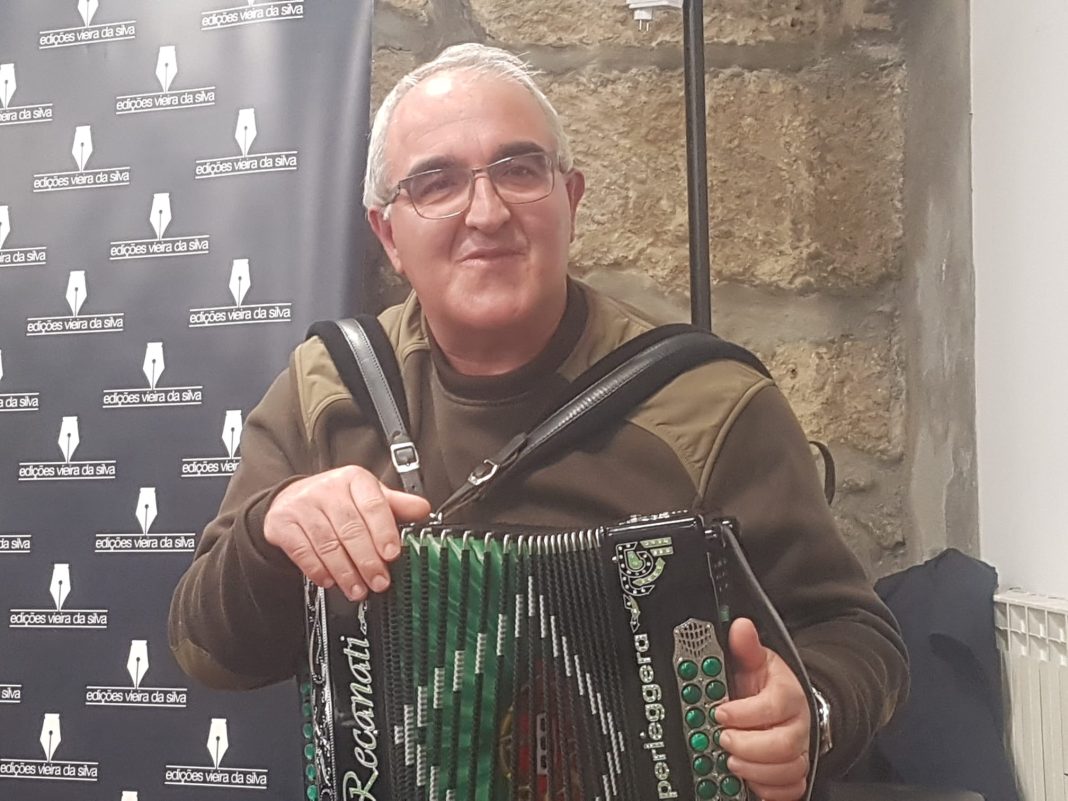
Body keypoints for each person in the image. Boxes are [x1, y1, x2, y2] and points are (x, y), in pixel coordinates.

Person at [169, 42, 907, 801]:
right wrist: (273, 531)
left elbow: (855, 633)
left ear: (570, 199)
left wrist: (811, 714)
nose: (486, 213)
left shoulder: (707, 403)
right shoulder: (326, 391)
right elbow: (208, 652)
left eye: (519, 171)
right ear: (387, 234)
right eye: (436, 183)